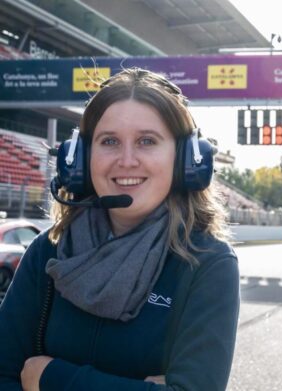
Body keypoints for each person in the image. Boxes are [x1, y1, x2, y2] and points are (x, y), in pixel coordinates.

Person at [0, 68, 240, 390]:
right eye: (109, 141)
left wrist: (49, 376)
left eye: (146, 141)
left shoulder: (208, 264)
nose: (127, 160)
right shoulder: (47, 250)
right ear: (80, 159)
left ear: (185, 161)